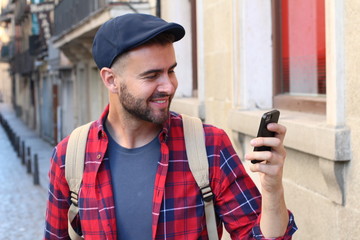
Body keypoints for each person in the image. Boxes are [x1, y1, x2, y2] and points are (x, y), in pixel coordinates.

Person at [44, 13, 297, 240]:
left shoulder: (208, 145)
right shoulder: (70, 157)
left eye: (171, 71)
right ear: (111, 80)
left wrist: (273, 189)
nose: (169, 86)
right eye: (152, 76)